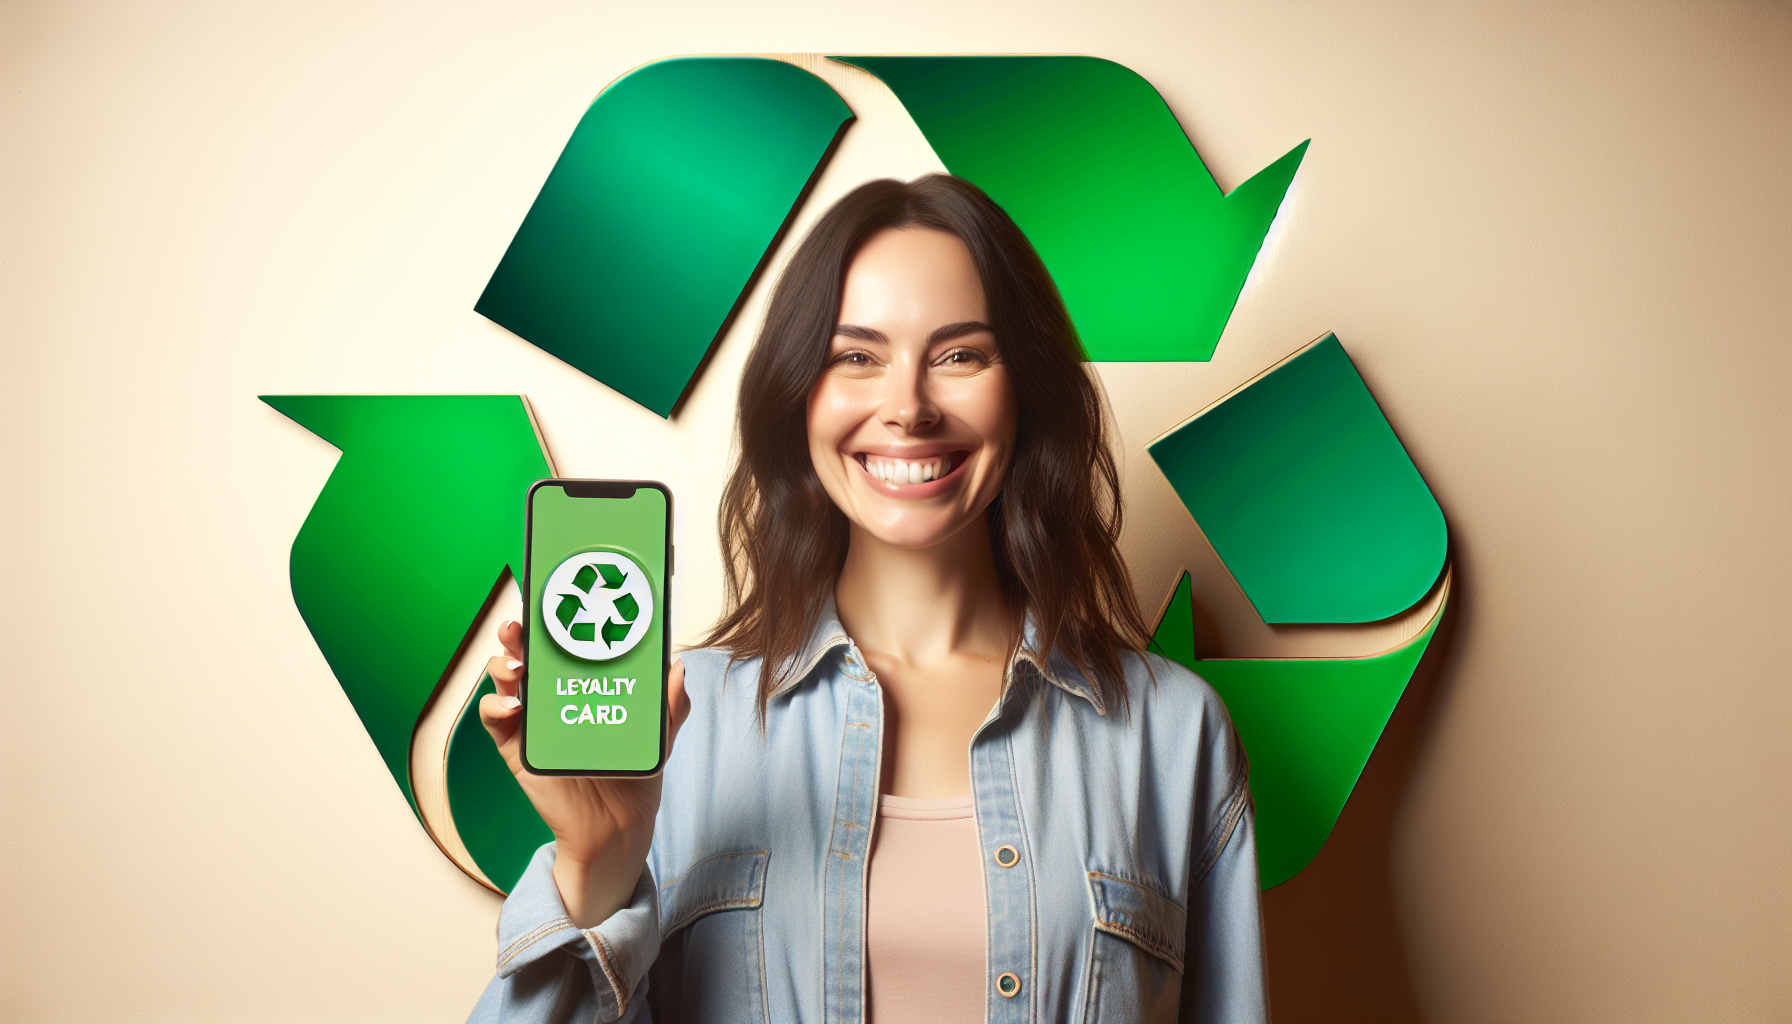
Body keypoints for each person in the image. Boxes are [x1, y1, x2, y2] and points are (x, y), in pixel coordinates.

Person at [468, 175, 1265, 1023]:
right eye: (856, 357)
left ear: (1024, 389)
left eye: (961, 355)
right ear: (797, 395)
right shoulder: (677, 729)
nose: (909, 407)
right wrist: (598, 864)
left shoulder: (1174, 736)